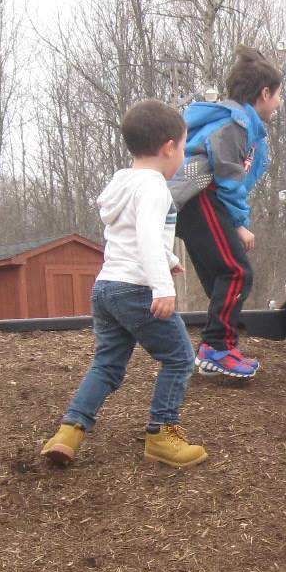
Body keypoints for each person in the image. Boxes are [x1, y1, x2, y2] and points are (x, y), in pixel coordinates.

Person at [41, 100, 207, 469]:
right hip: (137, 288)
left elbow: (133, 237)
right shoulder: (154, 187)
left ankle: (69, 432)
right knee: (179, 359)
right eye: (182, 146)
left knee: (107, 365)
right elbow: (148, 236)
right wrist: (162, 286)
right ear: (168, 147)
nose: (182, 154)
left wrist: (170, 260)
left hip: (107, 287)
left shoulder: (123, 183)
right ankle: (163, 435)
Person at [174, 45, 283, 380]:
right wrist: (239, 223)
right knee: (237, 271)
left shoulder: (243, 125)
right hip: (201, 197)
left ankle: (223, 346)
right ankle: (215, 348)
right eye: (278, 95)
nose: (279, 103)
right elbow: (226, 174)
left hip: (203, 200)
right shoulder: (234, 124)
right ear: (264, 93)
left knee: (220, 276)